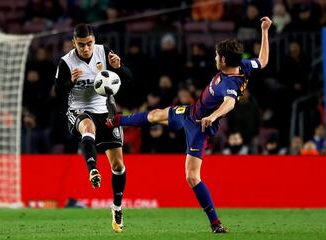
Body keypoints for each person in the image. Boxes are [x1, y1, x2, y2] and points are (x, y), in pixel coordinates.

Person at [107, 17, 272, 233]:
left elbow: (230, 103)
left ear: (223, 60)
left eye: (216, 56)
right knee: (157, 114)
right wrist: (264, 31)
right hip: (191, 112)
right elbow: (263, 60)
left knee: (192, 177)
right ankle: (115, 121)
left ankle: (215, 223)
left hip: (199, 127)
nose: (214, 58)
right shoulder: (243, 65)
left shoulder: (229, 84)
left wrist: (213, 117)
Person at [54, 23, 132, 233]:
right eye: (81, 45)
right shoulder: (66, 62)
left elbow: (129, 78)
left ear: (94, 40)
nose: (86, 48)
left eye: (89, 43)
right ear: (74, 43)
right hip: (79, 110)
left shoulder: (104, 52)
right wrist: (70, 82)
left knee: (118, 166)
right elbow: (56, 93)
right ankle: (93, 170)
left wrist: (118, 68)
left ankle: (116, 208)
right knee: (87, 127)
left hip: (105, 111)